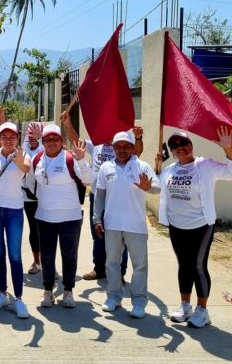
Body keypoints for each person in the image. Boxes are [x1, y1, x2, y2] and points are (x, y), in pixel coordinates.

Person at [158, 127, 232, 328]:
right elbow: (156, 185)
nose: (180, 148)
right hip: (177, 225)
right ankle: (185, 306)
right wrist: (157, 164)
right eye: (174, 146)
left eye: (183, 143)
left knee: (197, 266)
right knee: (183, 266)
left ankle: (202, 310)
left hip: (200, 225)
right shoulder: (169, 169)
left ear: (191, 145)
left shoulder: (205, 165)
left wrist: (228, 149)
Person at [60, 112, 142, 281]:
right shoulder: (95, 145)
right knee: (97, 234)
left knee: (120, 236)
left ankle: (119, 273)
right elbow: (77, 141)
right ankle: (99, 269)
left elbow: (137, 153)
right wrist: (68, 125)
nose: (106, 132)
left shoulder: (121, 147)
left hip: (117, 199)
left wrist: (138, 138)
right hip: (97, 197)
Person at [92, 132, 160, 319]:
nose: (122, 150)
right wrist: (97, 219)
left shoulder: (142, 166)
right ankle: (114, 297)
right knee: (112, 263)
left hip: (135, 225)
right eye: (118, 146)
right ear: (113, 148)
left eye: (126, 146)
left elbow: (157, 187)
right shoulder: (106, 167)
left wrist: (147, 187)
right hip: (112, 224)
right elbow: (99, 196)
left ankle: (138, 301)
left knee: (139, 265)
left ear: (132, 147)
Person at [26, 123, 93, 308]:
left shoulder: (71, 158)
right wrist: (44, 198)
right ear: (43, 142)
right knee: (47, 256)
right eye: (48, 140)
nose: (52, 143)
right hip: (44, 217)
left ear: (62, 141)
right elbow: (30, 182)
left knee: (69, 256)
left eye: (56, 139)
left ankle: (68, 291)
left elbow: (88, 180)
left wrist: (81, 160)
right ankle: (48, 290)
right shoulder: (38, 158)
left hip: (70, 218)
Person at [0, 122, 31, 319]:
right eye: (5, 135)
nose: (8, 138)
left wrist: (19, 160)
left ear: (17, 136)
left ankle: (18, 298)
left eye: (12, 135)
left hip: (14, 211)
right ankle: (2, 293)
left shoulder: (22, 154)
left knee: (15, 255)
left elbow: (26, 168)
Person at [21, 124, 43, 274]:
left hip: (45, 197)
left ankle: (49, 263)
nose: (32, 139)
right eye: (30, 136)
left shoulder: (46, 149)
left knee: (47, 231)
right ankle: (37, 262)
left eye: (36, 136)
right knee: (34, 230)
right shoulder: (24, 150)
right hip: (28, 198)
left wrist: (40, 137)